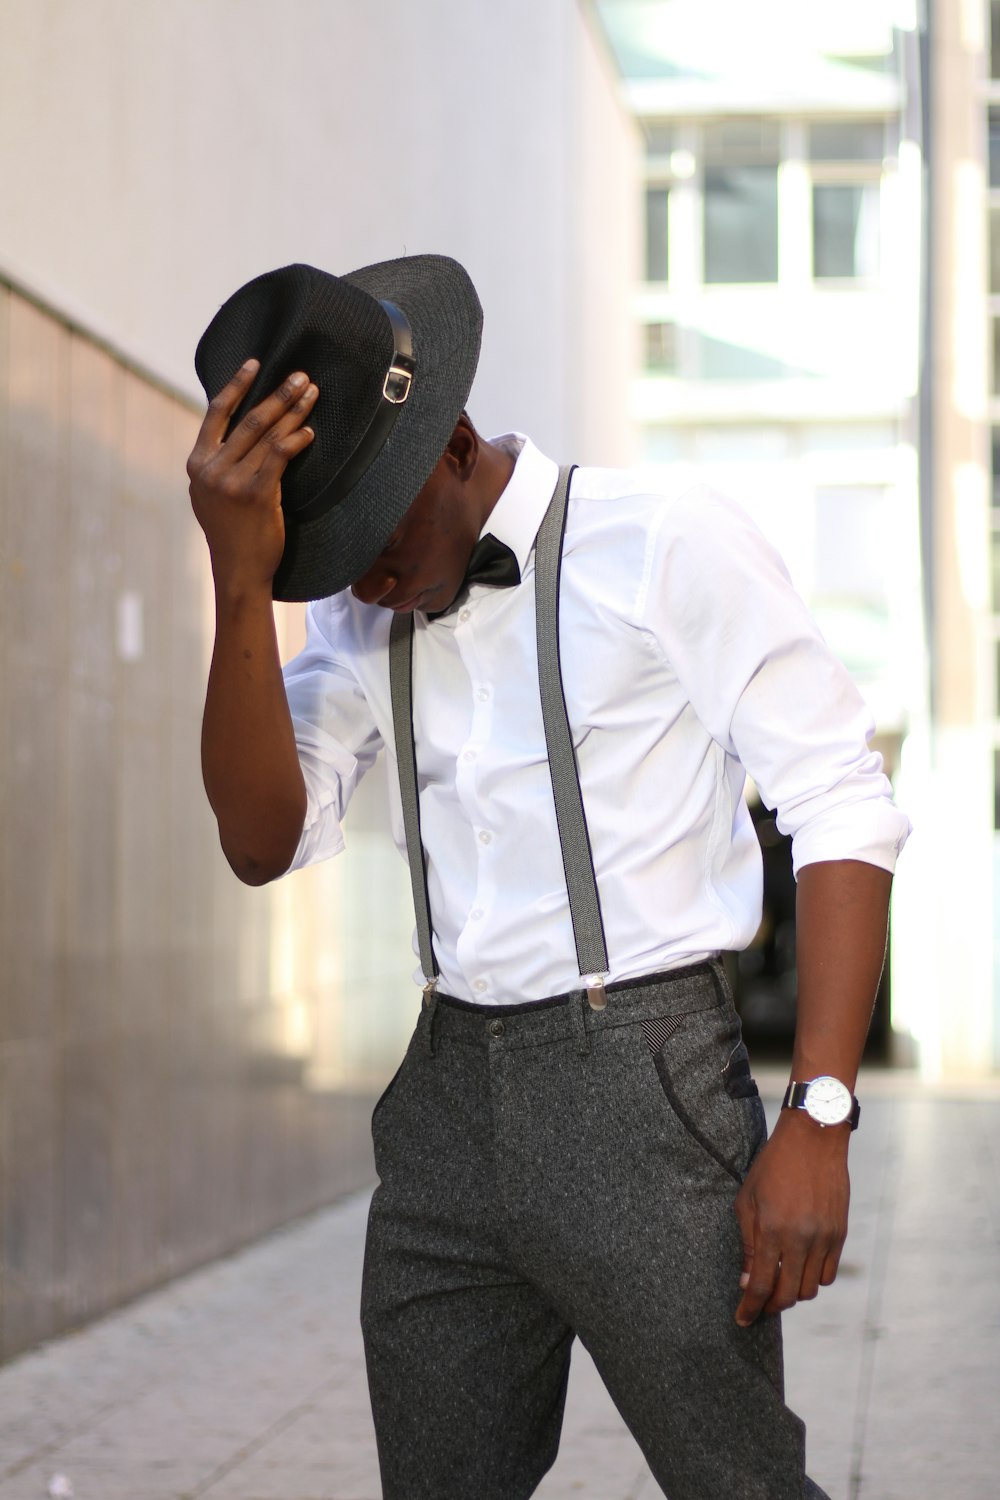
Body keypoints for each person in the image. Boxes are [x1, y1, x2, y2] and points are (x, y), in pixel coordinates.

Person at [188, 256, 909, 1500]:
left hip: (644, 1085)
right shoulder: (356, 619)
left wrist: (821, 1117)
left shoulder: (663, 541)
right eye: (330, 555)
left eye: (375, 534)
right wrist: (241, 583)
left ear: (455, 441)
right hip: (445, 1101)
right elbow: (261, 842)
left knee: (734, 1482)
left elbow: (840, 800)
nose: (363, 581)